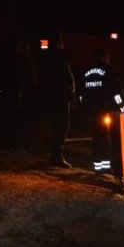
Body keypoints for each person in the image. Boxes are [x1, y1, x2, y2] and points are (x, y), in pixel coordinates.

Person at [79, 47, 124, 178]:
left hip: (93, 113)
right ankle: (108, 169)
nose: (109, 60)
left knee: (97, 140)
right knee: (109, 141)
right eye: (108, 57)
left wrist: (84, 110)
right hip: (109, 113)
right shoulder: (109, 71)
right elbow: (117, 92)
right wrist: (123, 109)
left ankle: (98, 168)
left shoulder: (86, 72)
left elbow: (81, 95)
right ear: (104, 57)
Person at [39, 32, 75, 167]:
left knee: (56, 126)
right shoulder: (59, 56)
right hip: (60, 97)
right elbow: (64, 77)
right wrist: (70, 94)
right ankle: (57, 156)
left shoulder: (47, 56)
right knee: (61, 126)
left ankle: (56, 155)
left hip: (54, 95)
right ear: (59, 42)